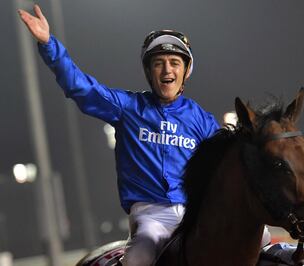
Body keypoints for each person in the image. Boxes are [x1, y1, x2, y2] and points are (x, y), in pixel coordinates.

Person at [17, 5, 221, 266]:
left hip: (196, 214)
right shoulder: (128, 107)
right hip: (151, 218)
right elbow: (80, 87)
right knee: (138, 258)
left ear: (186, 70)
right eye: (158, 63)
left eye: (174, 63)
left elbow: (227, 164)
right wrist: (48, 44)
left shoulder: (203, 120)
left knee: (260, 237)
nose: (166, 70)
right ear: (149, 72)